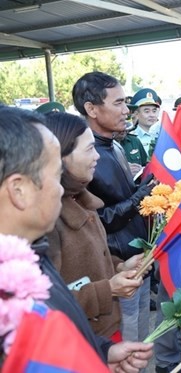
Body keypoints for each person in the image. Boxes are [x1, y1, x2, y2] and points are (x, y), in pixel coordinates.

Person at [0, 106, 153, 371]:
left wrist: (101, 351)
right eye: (56, 174)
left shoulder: (29, 253)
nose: (59, 187)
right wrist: (108, 289)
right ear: (19, 190)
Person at [43, 111, 145, 340]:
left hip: (103, 332)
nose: (97, 157)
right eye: (89, 149)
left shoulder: (80, 200)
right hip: (75, 341)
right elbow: (45, 300)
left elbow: (93, 259)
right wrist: (107, 290)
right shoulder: (45, 219)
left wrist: (119, 266)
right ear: (60, 156)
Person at [72, 71, 154, 344]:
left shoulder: (115, 146)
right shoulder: (82, 158)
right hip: (114, 268)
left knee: (141, 339)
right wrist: (141, 196)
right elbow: (99, 219)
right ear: (92, 109)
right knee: (126, 343)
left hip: (136, 259)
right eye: (118, 103)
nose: (126, 110)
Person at [130, 88, 161, 155]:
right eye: (146, 111)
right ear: (136, 114)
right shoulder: (130, 138)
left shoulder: (163, 135)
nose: (152, 115)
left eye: (154, 111)